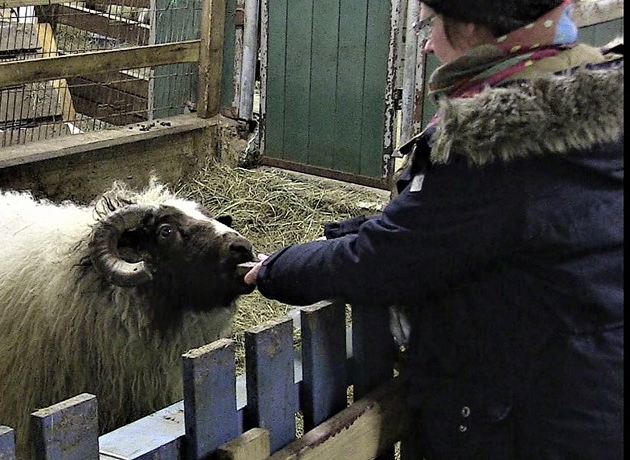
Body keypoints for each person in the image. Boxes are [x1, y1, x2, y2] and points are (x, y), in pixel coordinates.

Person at [243, 0, 623, 458]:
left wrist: (276, 268)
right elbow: (488, 229)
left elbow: (384, 261)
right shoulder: (588, 104)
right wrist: (374, 225)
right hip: (590, 389)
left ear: (474, 25)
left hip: (520, 423)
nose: (425, 43)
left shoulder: (498, 143)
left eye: (431, 24)